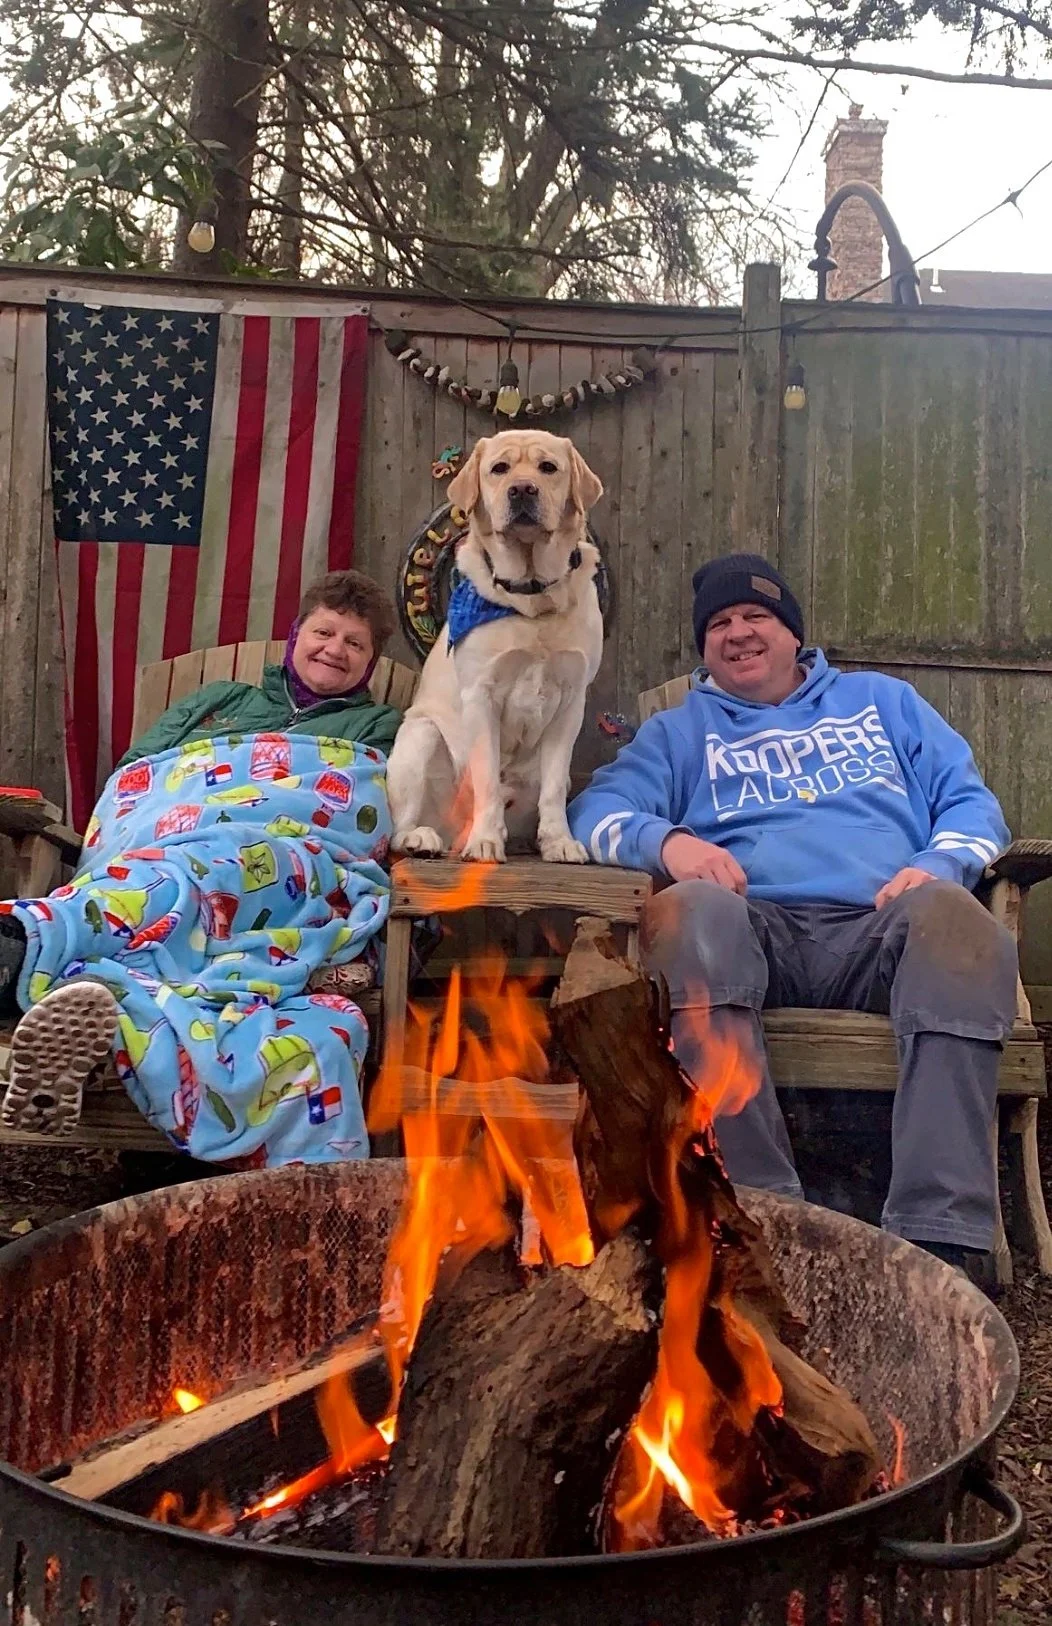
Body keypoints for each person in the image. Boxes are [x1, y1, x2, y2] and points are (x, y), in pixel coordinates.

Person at [568, 552, 1017, 1279]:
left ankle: (940, 1240)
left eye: (756, 616)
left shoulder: (885, 703)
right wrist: (671, 843)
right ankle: (756, 1216)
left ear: (793, 632)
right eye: (719, 623)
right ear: (704, 646)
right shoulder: (679, 733)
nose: (739, 632)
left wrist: (938, 866)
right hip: (752, 930)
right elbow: (596, 810)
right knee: (688, 914)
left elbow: (971, 804)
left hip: (882, 925)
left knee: (960, 923)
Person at [0, 569, 403, 1168]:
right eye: (324, 632)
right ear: (295, 634)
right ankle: (64, 976)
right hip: (170, 844)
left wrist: (249, 814)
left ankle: (23, 944)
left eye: (355, 643)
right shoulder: (220, 701)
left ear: (371, 663)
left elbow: (374, 805)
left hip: (291, 865)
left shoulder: (379, 727)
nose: (334, 650)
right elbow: (138, 778)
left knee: (220, 862)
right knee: (174, 869)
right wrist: (194, 812)